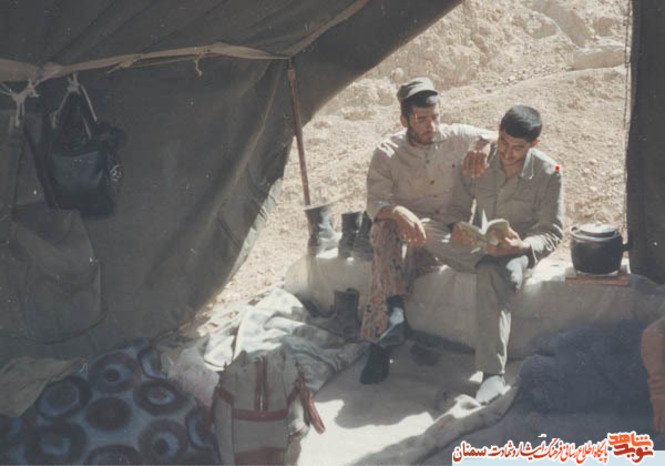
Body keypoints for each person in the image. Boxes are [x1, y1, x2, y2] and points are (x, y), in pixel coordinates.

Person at [359, 77, 495, 385]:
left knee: (397, 261)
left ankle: (389, 328)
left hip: (443, 232)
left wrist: (483, 144)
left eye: (435, 117)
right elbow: (374, 202)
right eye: (421, 119)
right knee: (384, 231)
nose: (431, 126)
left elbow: (500, 135)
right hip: (404, 231)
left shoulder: (455, 136)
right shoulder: (387, 152)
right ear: (404, 120)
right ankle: (389, 324)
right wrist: (398, 211)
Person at [432, 104, 564, 404]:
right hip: (481, 245)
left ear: (534, 144)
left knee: (491, 271)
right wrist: (456, 227)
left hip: (520, 248)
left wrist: (522, 247)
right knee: (426, 231)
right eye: (503, 142)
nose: (507, 153)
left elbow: (552, 231)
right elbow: (455, 210)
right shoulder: (479, 160)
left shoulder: (551, 172)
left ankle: (492, 374)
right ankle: (504, 264)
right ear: (498, 133)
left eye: (518, 148)